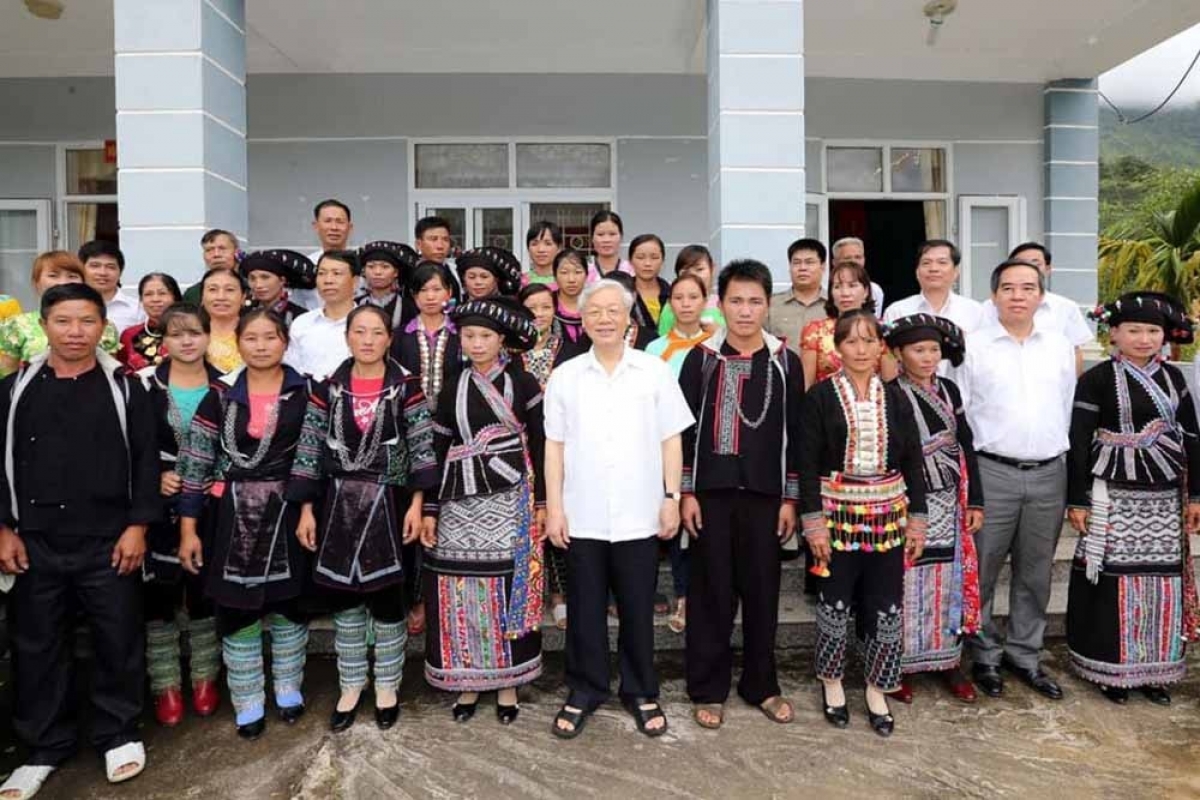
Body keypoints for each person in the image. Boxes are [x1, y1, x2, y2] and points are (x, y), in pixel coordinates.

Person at [0, 283, 158, 798]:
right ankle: (44, 746)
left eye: (87, 321)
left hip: (109, 538)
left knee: (117, 637)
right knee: (37, 642)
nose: (75, 332)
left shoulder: (126, 389)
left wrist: (137, 526)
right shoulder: (15, 388)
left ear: (103, 327)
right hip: (33, 539)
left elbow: (145, 461)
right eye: (64, 321)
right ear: (43, 325)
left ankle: (117, 732)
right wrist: (3, 528)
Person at [544, 279, 694, 739]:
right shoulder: (566, 375)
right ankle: (585, 689)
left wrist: (672, 499)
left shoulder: (653, 371)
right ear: (583, 320)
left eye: (614, 311)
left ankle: (640, 689)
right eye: (596, 312)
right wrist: (554, 507)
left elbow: (672, 440)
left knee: (636, 607)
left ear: (630, 319)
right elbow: (554, 447)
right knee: (585, 608)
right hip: (583, 512)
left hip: (640, 513)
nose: (605, 319)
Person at [289, 305, 438, 732]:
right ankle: (351, 685)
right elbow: (310, 448)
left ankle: (388, 686)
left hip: (390, 505)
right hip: (335, 504)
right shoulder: (328, 388)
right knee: (345, 601)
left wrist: (416, 503)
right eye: (360, 332)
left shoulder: (405, 387)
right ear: (348, 337)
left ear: (389, 339)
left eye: (377, 332)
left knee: (388, 601)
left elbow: (422, 446)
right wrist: (304, 508)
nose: (368, 340)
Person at [679, 260, 803, 730]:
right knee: (709, 595)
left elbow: (796, 436)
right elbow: (683, 431)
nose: (745, 311)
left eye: (754, 301)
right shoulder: (701, 359)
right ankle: (708, 688)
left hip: (766, 498)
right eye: (736, 301)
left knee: (762, 593)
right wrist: (685, 492)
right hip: (709, 496)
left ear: (767, 305)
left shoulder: (785, 361)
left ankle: (761, 685)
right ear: (721, 304)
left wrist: (791, 498)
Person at [177, 309, 312, 740]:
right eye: (250, 338)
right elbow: (195, 463)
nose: (260, 345)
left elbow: (313, 461)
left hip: (288, 510)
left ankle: (289, 687)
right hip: (231, 514)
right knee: (237, 606)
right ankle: (248, 698)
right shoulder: (219, 395)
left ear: (284, 342)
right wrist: (188, 529)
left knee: (289, 604)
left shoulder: (305, 392)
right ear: (238, 342)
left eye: (269, 337)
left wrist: (308, 506)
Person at [1066, 292, 1200, 705]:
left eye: (1153, 331)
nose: (1145, 339)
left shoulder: (1174, 378)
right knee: (1112, 580)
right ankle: (1110, 668)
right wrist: (1078, 499)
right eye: (1135, 330)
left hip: (1163, 497)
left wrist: (1195, 495)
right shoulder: (1098, 378)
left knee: (1159, 579)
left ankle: (1155, 668)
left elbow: (1192, 436)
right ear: (1115, 334)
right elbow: (1078, 439)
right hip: (1114, 496)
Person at [799, 308, 927, 737]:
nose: (860, 349)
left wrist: (918, 520)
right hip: (836, 519)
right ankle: (832, 682)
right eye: (851, 341)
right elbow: (807, 462)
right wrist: (813, 525)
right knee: (834, 602)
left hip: (889, 518)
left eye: (869, 341)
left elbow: (913, 461)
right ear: (838, 346)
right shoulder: (819, 397)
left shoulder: (896, 397)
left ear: (881, 348)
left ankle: (877, 687)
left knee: (884, 604)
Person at [420, 296, 545, 724]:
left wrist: (544, 500)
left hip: (510, 499)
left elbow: (543, 444)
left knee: (505, 588)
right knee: (459, 587)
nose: (476, 343)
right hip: (457, 500)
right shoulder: (453, 383)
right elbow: (438, 445)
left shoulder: (523, 384)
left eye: (485, 336)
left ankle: (508, 681)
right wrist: (430, 507)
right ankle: (468, 679)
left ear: (502, 341)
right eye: (469, 335)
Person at [957, 258, 1076, 701]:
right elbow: (962, 414)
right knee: (984, 567)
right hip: (992, 472)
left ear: (1041, 296)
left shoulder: (1059, 346)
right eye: (1008, 288)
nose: (1018, 296)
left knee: (1035, 572)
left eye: (1027, 288)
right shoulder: (974, 346)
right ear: (994, 296)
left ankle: (1026, 654)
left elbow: (1065, 406)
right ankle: (984, 655)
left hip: (1048, 472)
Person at [884, 314, 984, 704]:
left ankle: (947, 662)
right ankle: (900, 664)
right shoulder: (890, 393)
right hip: (910, 502)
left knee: (949, 580)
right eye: (918, 350)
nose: (928, 358)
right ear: (898, 353)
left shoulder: (949, 392)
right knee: (908, 583)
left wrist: (976, 499)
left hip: (950, 500)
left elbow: (965, 442)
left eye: (933, 350)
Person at [137, 304, 226, 727]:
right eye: (177, 334)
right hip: (158, 505)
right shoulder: (141, 386)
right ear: (163, 340)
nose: (187, 341)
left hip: (211, 503)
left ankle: (206, 679)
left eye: (195, 332)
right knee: (160, 597)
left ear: (209, 336)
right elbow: (126, 447)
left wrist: (212, 479)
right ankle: (166, 686)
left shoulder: (226, 386)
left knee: (204, 590)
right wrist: (155, 476)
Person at [390, 260, 462, 637]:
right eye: (424, 290)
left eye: (439, 289)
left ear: (449, 292)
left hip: (454, 436)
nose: (431, 297)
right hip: (410, 436)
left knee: (444, 517)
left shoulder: (464, 333)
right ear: (413, 295)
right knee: (413, 519)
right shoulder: (401, 337)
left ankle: (444, 597)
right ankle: (415, 598)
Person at [645, 273, 713, 634]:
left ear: (705, 301)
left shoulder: (717, 344)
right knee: (665, 517)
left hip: (708, 446)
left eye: (693, 297)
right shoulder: (655, 350)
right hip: (663, 446)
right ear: (670, 304)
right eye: (679, 298)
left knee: (695, 523)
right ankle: (665, 592)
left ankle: (689, 598)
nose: (686, 303)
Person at [518, 283, 579, 630]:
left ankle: (560, 595)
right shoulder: (508, 352)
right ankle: (527, 593)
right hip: (521, 445)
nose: (538, 314)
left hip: (561, 442)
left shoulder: (570, 350)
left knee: (557, 510)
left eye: (544, 307)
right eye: (531, 308)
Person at [0, 251, 119, 377]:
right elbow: (8, 375)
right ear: (36, 282)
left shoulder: (105, 326)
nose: (63, 282)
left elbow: (111, 372)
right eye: (53, 275)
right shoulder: (16, 325)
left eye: (72, 276)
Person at [982, 242, 1093, 375]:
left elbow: (1075, 352)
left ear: (1048, 268)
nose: (1028, 268)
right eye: (1021, 263)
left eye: (1035, 263)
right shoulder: (989, 307)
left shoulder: (1066, 308)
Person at [801, 261, 897, 388]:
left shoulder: (883, 330)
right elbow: (807, 385)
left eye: (852, 285)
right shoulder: (815, 331)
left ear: (866, 291)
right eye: (837, 286)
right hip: (825, 404)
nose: (845, 293)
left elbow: (890, 383)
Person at [883, 240, 985, 357]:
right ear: (917, 272)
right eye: (926, 263)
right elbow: (888, 356)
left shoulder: (975, 311)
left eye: (942, 262)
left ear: (956, 272)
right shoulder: (897, 311)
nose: (933, 269)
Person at [287, 250, 358, 381]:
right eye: (322, 274)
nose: (328, 280)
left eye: (336, 273)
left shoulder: (369, 322)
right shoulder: (302, 323)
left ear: (355, 281)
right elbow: (291, 370)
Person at [767, 238, 828, 353]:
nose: (802, 268)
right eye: (796, 262)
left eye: (809, 262)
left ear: (823, 266)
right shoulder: (772, 305)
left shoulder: (835, 305)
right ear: (789, 267)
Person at [118, 272, 183, 371]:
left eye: (162, 293)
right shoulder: (129, 335)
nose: (155, 299)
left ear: (175, 298)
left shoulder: (190, 332)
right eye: (148, 294)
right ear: (141, 300)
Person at [655, 244, 724, 337]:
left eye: (699, 269)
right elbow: (662, 343)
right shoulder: (671, 307)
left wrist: (719, 333)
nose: (693, 275)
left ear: (712, 268)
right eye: (685, 272)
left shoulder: (725, 304)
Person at [79, 239, 145, 332]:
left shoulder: (137, 309)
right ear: (81, 269)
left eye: (110, 267)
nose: (103, 273)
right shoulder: (68, 305)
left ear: (120, 272)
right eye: (95, 265)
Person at [240, 249, 316, 328]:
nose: (258, 285)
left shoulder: (301, 318)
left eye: (265, 277)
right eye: (252, 278)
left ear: (282, 280)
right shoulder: (242, 313)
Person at [302, 199, 355, 310]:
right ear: (316, 226)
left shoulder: (362, 263)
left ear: (350, 228)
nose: (334, 227)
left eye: (339, 221)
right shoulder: (305, 265)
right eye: (328, 221)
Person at [356, 241, 420, 330]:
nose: (377, 272)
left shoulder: (409, 308)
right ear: (363, 271)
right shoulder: (356, 305)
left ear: (396, 273)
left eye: (385, 267)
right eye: (371, 266)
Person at [200, 268, 249, 373]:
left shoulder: (258, 334)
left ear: (243, 297)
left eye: (230, 290)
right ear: (202, 297)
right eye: (213, 289)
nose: (221, 297)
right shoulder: (190, 335)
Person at [628, 234, 670, 349]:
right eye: (640, 257)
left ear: (663, 260)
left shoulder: (673, 294)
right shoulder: (622, 294)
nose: (647, 263)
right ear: (630, 260)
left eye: (654, 257)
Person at [182, 229, 241, 305]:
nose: (216, 254)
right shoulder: (193, 294)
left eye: (222, 248)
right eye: (209, 250)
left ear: (236, 252)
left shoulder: (252, 287)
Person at [830, 237, 885, 311]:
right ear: (834, 262)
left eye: (858, 257)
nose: (854, 262)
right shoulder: (829, 287)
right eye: (847, 258)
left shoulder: (875, 290)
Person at [414, 216, 461, 298]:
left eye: (445, 239)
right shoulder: (409, 273)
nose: (440, 246)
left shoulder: (456, 271)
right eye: (433, 239)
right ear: (418, 244)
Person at [552, 248, 590, 346]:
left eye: (577, 272)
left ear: (586, 275)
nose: (571, 279)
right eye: (564, 273)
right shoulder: (547, 303)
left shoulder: (596, 303)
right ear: (555, 276)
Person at [457, 246, 522, 301]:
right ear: (464, 279)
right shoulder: (455, 308)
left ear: (496, 279)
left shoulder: (511, 308)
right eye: (471, 277)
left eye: (484, 277)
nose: (478, 282)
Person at [588, 210, 634, 281]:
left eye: (612, 234)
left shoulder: (633, 270)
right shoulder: (583, 269)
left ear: (621, 237)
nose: (606, 240)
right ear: (592, 238)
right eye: (600, 234)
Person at [524, 221, 563, 288]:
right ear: (528, 249)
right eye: (534, 244)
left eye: (548, 244)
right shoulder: (521, 282)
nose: (541, 249)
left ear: (559, 248)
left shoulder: (568, 280)